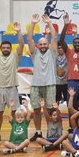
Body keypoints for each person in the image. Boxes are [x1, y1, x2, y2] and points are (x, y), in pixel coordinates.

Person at [27, 14, 58, 142]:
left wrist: (49, 23)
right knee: (36, 109)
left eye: (45, 43)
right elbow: (29, 39)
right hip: (36, 85)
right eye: (41, 44)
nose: (43, 45)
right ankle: (38, 132)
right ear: (38, 45)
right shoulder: (34, 54)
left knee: (51, 109)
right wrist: (33, 24)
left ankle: (52, 131)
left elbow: (55, 37)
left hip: (50, 84)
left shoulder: (52, 53)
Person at [0, 21, 23, 131]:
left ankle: (17, 134)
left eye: (8, 47)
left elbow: (21, 44)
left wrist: (19, 32)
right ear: (1, 48)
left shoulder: (15, 57)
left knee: (14, 113)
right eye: (4, 47)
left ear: (11, 49)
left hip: (12, 88)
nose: (6, 49)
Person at [60, 14, 79, 109]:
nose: (77, 44)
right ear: (73, 44)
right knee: (71, 104)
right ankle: (72, 123)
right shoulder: (69, 52)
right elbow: (61, 39)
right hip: (72, 81)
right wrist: (66, 25)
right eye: (75, 43)